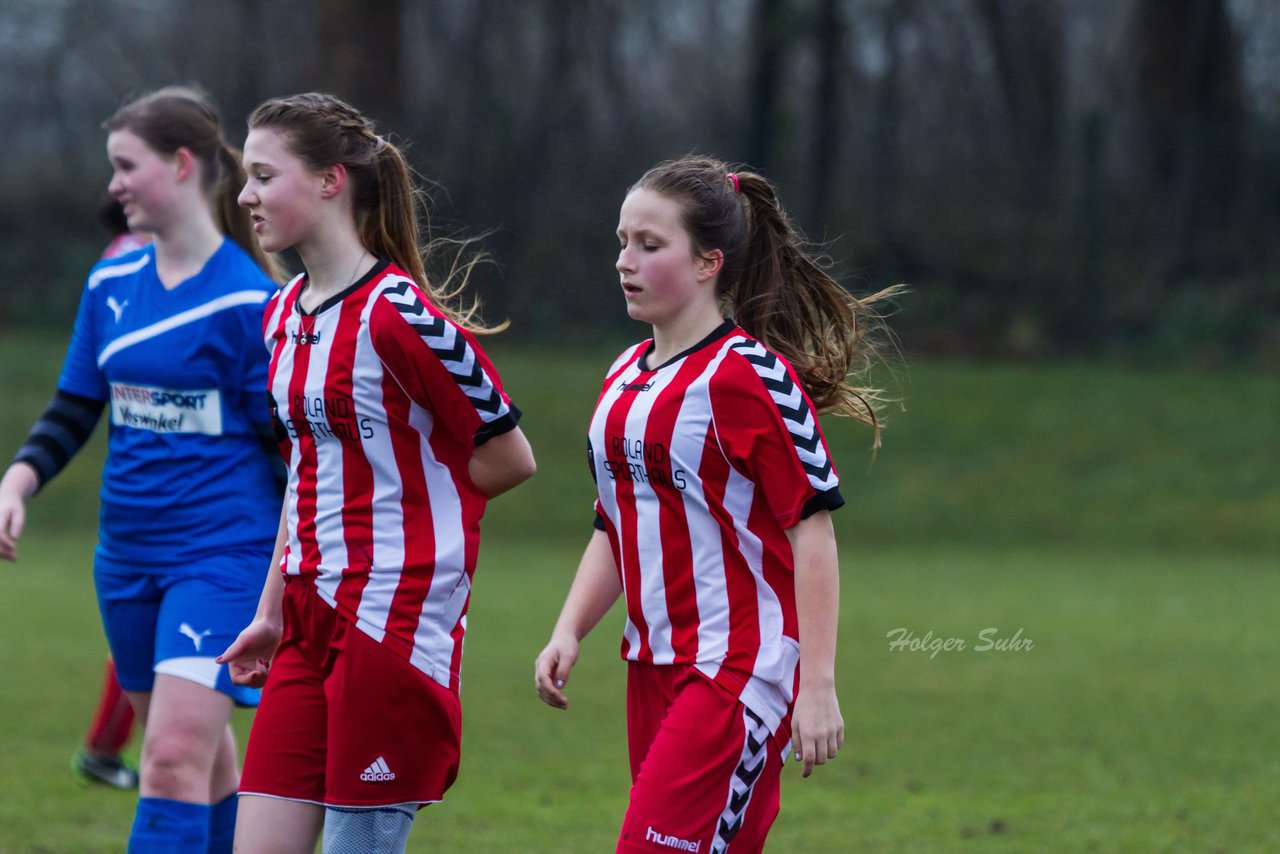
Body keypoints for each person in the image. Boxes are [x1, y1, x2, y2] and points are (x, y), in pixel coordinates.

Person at [534, 155, 901, 852]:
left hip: (738, 670)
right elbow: (617, 523)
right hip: (651, 666)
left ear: (708, 263)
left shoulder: (748, 377)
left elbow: (812, 531)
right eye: (621, 242)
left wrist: (817, 685)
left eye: (650, 245)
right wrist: (568, 629)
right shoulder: (621, 377)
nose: (625, 261)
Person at [217, 92, 536, 854]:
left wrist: (412, 522)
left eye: (264, 175)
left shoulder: (402, 316)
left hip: (386, 625)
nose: (245, 196)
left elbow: (509, 457)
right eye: (244, 177)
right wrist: (269, 608)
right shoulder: (285, 312)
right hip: (302, 618)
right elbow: (308, 472)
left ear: (331, 181)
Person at [0, 86, 285, 852]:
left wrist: (290, 577)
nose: (114, 185)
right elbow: (74, 408)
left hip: (221, 553)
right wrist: (16, 481)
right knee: (203, 758)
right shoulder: (109, 286)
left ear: (181, 165)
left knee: (166, 759)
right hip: (123, 557)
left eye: (126, 166)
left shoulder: (250, 303)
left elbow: (285, 452)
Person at [70, 199, 150, 792]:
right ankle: (102, 748)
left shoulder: (114, 258)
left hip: (144, 474)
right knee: (152, 638)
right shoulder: (136, 260)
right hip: (161, 478)